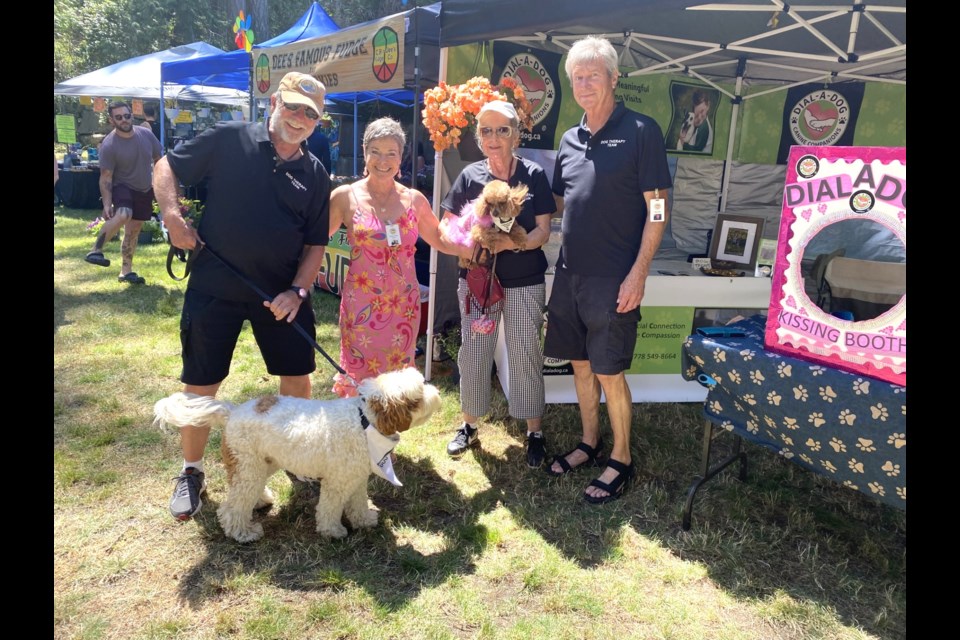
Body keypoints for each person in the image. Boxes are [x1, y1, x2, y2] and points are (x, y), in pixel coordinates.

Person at [153, 71, 331, 521]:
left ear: (317, 121)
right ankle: (191, 471)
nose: (298, 118)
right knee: (201, 385)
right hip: (215, 287)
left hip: (282, 296)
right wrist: (173, 216)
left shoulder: (315, 173)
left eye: (309, 113)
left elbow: (315, 246)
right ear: (274, 102)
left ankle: (296, 455)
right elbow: (166, 167)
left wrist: (298, 290)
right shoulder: (231, 138)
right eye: (292, 107)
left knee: (297, 379)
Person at [544, 37, 672, 503]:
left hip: (614, 279)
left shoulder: (641, 130)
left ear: (614, 79)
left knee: (609, 371)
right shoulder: (569, 138)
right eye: (577, 77)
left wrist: (639, 272)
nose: (584, 85)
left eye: (593, 76)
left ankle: (621, 458)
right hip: (568, 274)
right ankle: (589, 442)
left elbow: (657, 209)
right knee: (579, 365)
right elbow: (558, 201)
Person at [441, 100, 555, 468]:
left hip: (525, 280)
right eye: (486, 131)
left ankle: (533, 431)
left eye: (502, 129)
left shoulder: (534, 174)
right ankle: (469, 424)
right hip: (478, 283)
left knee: (525, 352)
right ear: (478, 137)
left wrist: (510, 242)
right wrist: (468, 243)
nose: (494, 137)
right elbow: (446, 226)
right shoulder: (468, 176)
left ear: (516, 135)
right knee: (475, 352)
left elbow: (543, 231)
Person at [328, 117, 468, 398]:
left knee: (395, 383)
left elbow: (441, 239)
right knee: (359, 380)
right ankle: (357, 435)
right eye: (375, 152)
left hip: (402, 309)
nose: (383, 160)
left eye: (391, 153)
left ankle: (387, 439)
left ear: (401, 157)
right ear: (365, 153)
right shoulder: (345, 197)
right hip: (360, 307)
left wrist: (475, 247)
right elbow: (315, 241)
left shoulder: (414, 200)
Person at [84, 101, 163, 284]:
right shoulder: (109, 144)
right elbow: (106, 177)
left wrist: (158, 184)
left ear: (132, 116)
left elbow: (159, 159)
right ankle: (95, 250)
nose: (124, 120)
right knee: (123, 214)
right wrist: (106, 204)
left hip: (144, 188)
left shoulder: (146, 135)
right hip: (123, 186)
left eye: (126, 116)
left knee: (134, 231)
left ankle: (126, 272)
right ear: (112, 120)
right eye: (118, 117)